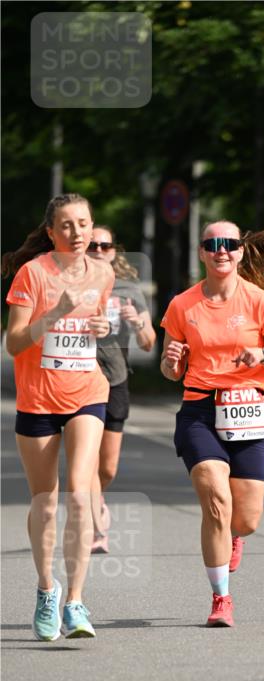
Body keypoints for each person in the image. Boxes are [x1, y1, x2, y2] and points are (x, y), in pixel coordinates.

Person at [160, 218, 264, 626]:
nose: (222, 249)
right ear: (202, 252)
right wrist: (172, 364)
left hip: (250, 409)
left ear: (241, 250)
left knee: (245, 519)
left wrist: (262, 356)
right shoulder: (182, 305)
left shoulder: (259, 301)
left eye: (230, 243)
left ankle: (235, 536)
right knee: (216, 501)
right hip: (200, 410)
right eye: (213, 243)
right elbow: (172, 371)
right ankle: (221, 598)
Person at [3, 193, 114, 639]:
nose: (77, 232)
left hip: (88, 391)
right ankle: (47, 590)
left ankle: (76, 601)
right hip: (38, 399)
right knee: (45, 504)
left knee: (79, 495)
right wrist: (56, 314)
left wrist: (104, 328)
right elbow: (13, 343)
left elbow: (99, 325)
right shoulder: (33, 274)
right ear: (51, 232)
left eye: (83, 224)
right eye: (67, 225)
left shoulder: (103, 273)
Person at [86, 226, 157, 553]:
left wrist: (137, 321)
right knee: (83, 460)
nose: (98, 249)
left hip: (115, 381)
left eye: (105, 245)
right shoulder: (68, 284)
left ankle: (97, 499)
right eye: (92, 245)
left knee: (107, 467)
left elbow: (148, 340)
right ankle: (93, 525)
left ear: (114, 250)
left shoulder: (128, 289)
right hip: (78, 381)